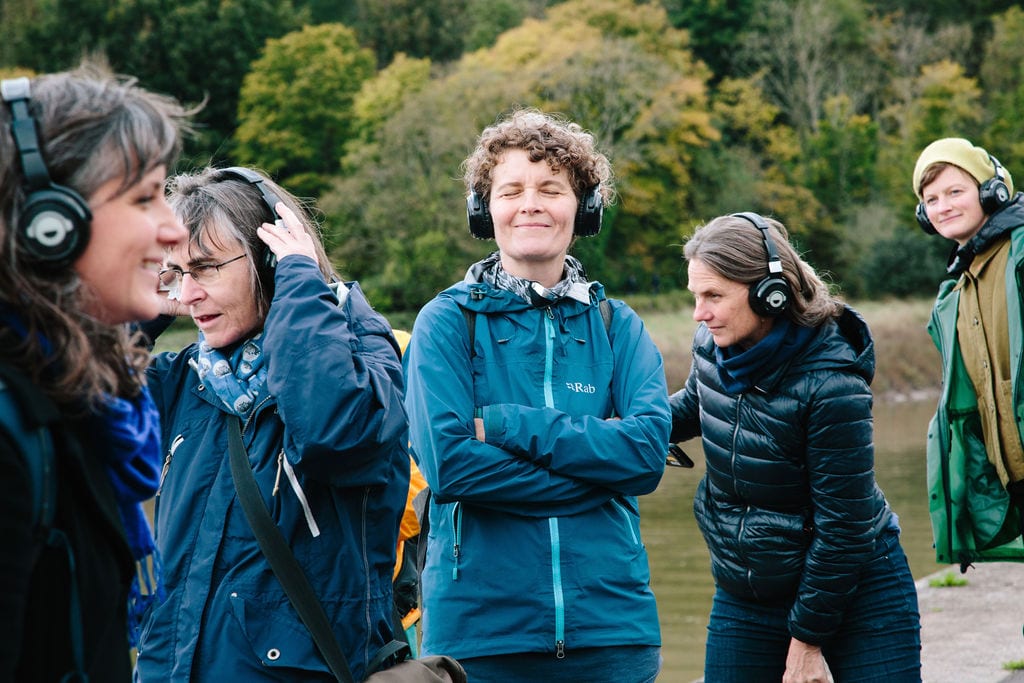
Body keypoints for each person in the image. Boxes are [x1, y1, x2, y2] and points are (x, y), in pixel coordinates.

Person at [402, 108, 671, 683]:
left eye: (551, 188)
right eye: (511, 190)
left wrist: (502, 424)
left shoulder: (618, 325)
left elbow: (646, 457)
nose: (531, 203)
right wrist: (598, 473)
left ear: (584, 208)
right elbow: (450, 468)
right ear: (484, 208)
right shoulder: (445, 323)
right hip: (478, 639)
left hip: (612, 633)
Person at [133, 166, 410, 680]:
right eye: (178, 272)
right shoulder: (184, 379)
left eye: (206, 268)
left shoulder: (361, 352)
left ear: (270, 260)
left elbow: (337, 435)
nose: (188, 295)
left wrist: (300, 286)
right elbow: (66, 406)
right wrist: (143, 307)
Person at [669, 212, 921, 682]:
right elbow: (696, 404)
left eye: (713, 297)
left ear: (771, 294)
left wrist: (807, 643)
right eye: (696, 296)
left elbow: (844, 528)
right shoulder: (713, 342)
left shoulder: (831, 382)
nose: (699, 313)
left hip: (856, 586)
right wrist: (622, 428)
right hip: (749, 587)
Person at [0, 64, 190, 681]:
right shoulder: (9, 427)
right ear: (47, 224)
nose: (174, 228)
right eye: (144, 197)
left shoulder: (78, 396)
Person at [913, 137, 1024, 567]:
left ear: (990, 190)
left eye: (955, 192)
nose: (943, 206)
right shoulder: (956, 289)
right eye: (931, 199)